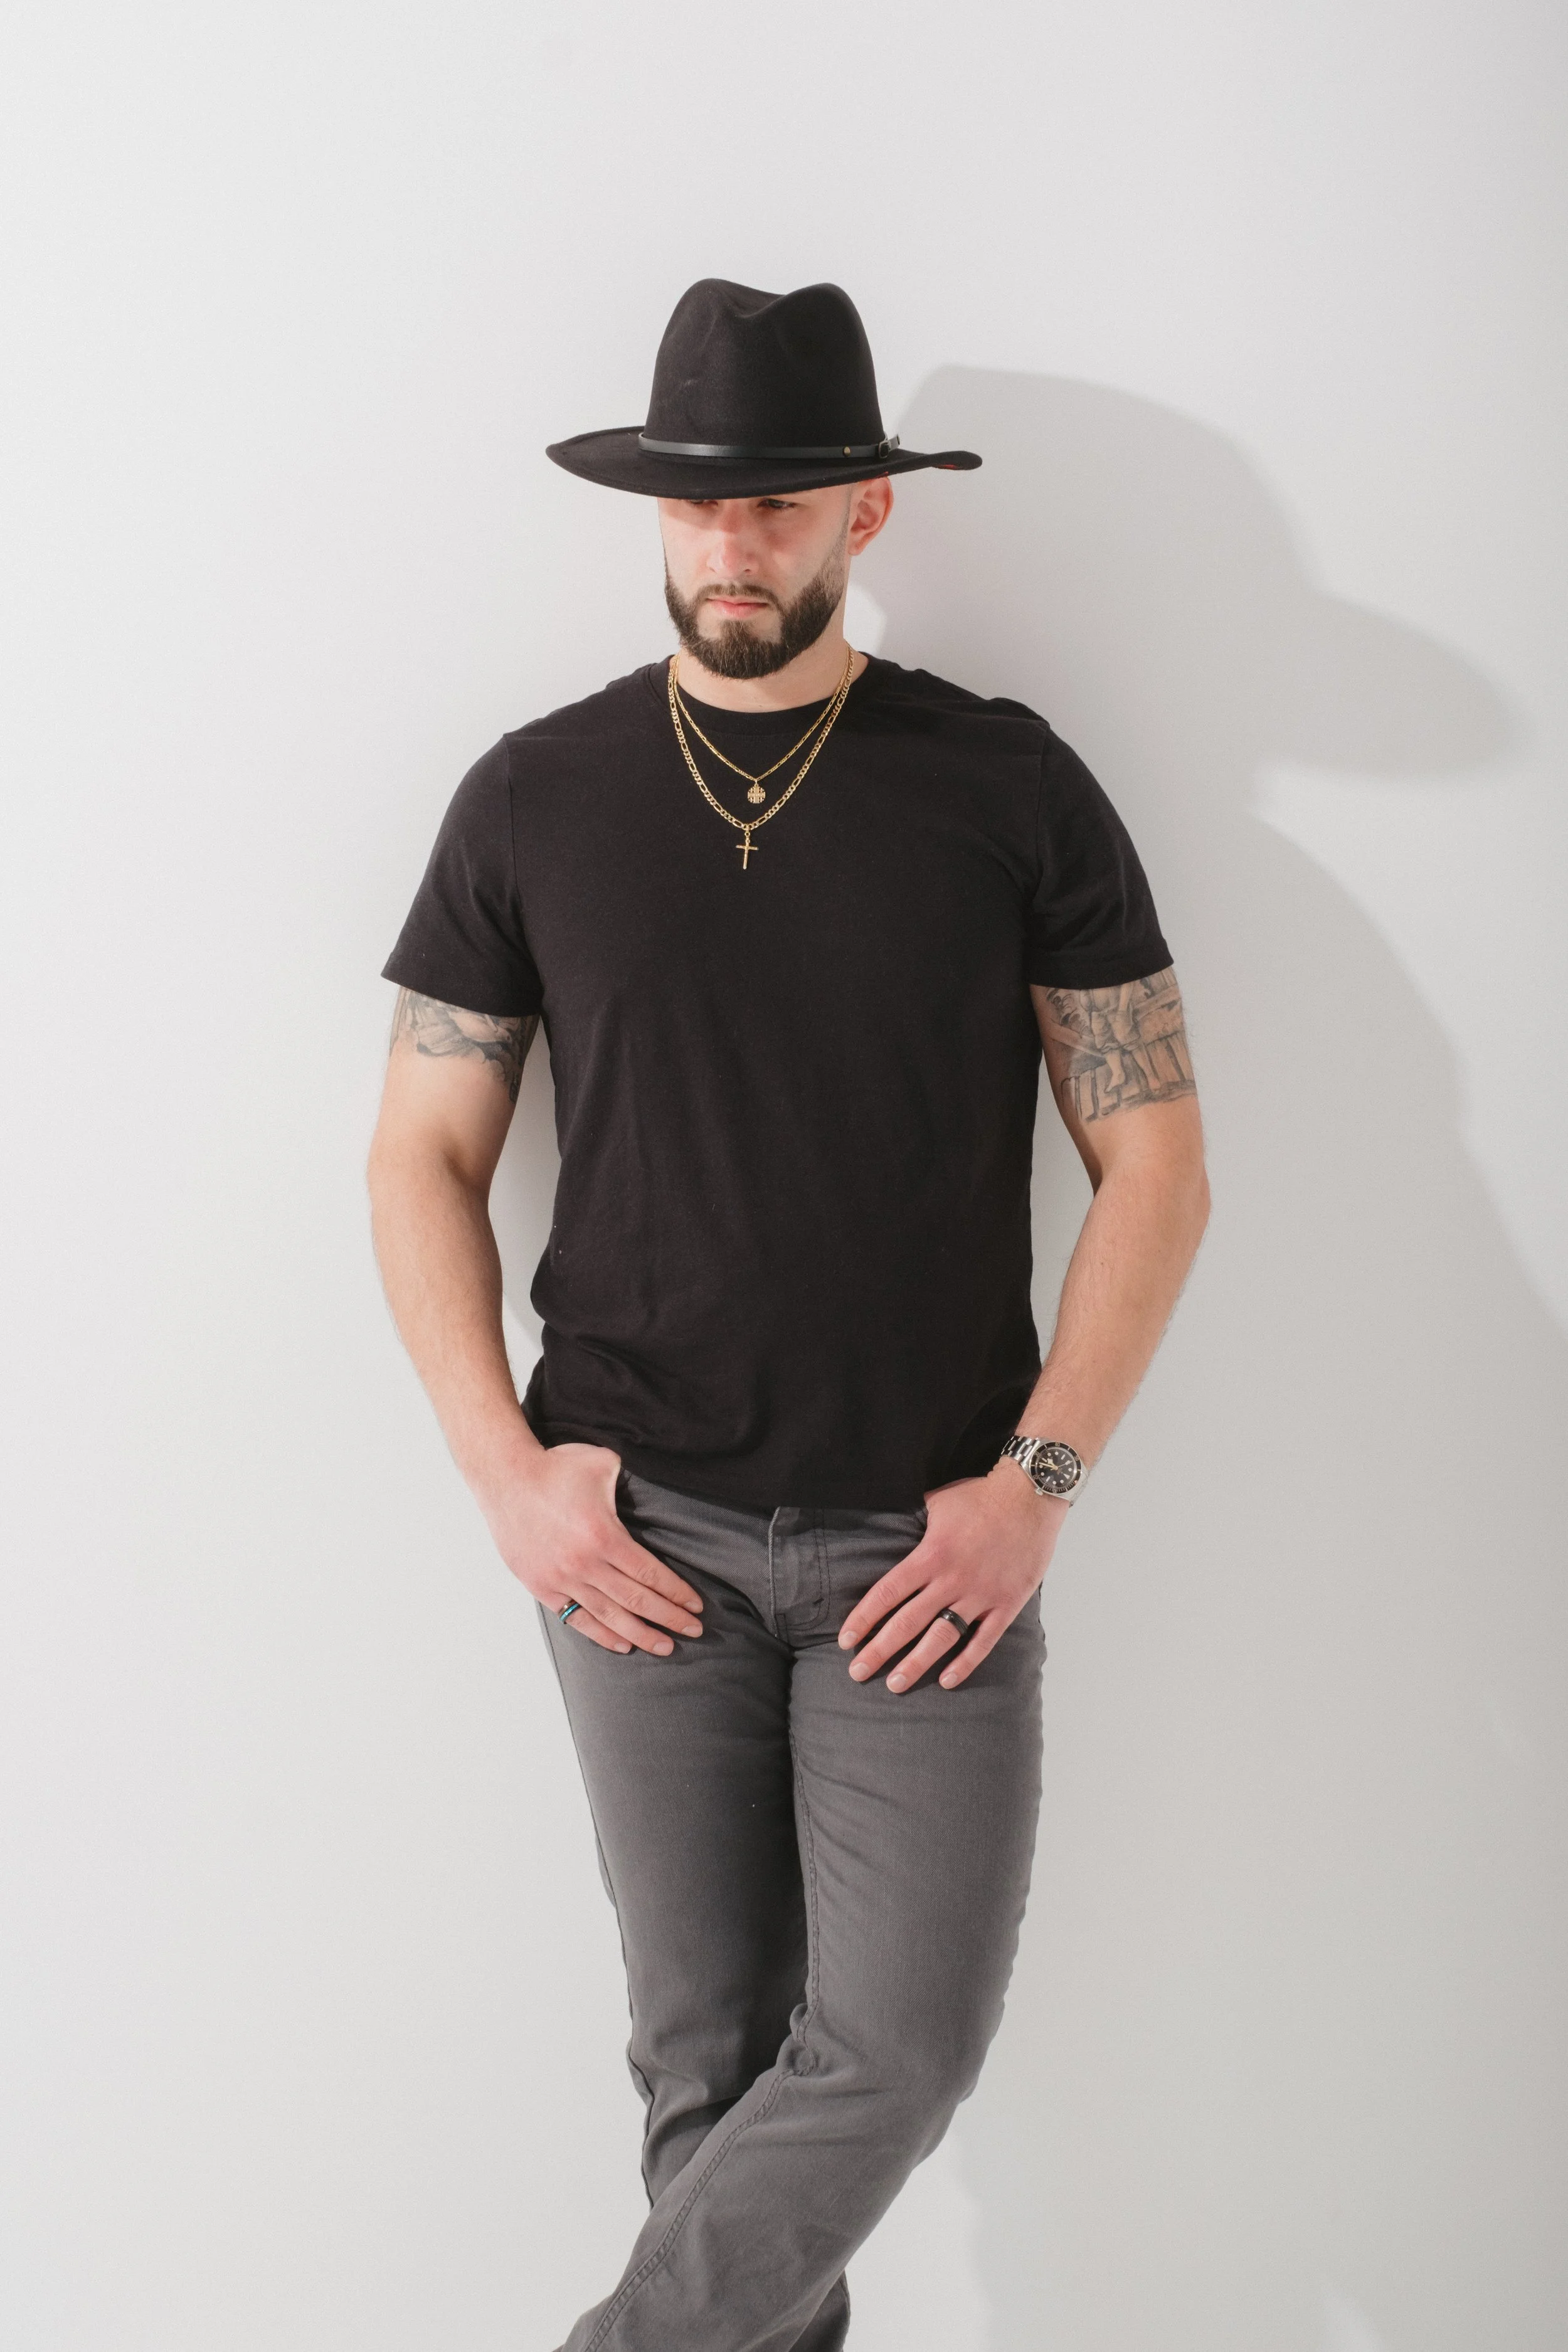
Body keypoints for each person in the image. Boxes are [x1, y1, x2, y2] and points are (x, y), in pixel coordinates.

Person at [366, 278, 1209, 2352]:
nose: (731, 546)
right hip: (629, 1537)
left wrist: (1034, 1488)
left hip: (921, 1543)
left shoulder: (1007, 790)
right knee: (705, 2069)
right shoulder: (531, 797)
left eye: (782, 503)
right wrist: (510, 1485)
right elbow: (418, 1160)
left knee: (893, 2050)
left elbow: (1158, 1165)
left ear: (865, 518)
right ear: (651, 514)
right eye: (694, 505)